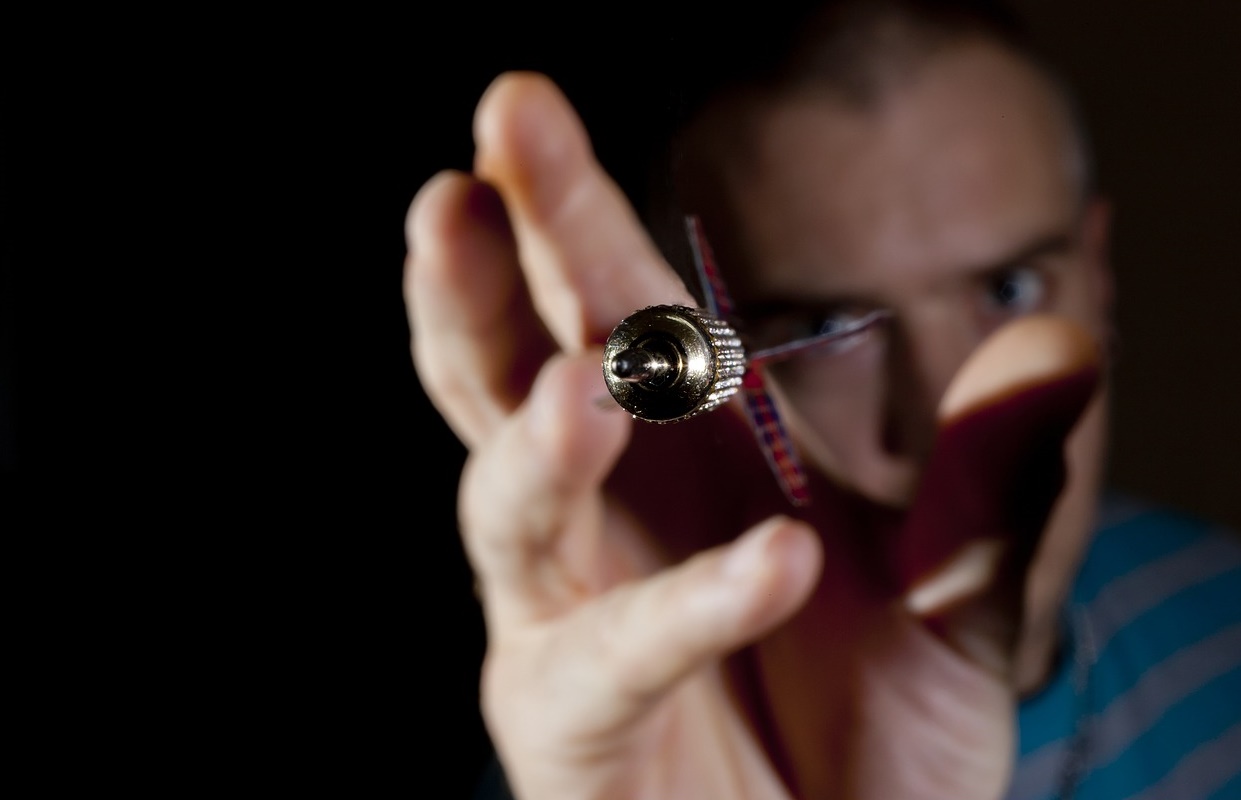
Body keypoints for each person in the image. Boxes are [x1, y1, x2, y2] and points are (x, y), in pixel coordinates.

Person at [405, 2, 1241, 798]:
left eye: (1007, 287)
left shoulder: (1222, 608)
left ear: (1099, 277)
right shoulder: (630, 760)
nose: (942, 417)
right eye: (825, 325)